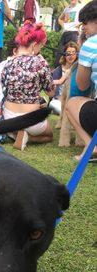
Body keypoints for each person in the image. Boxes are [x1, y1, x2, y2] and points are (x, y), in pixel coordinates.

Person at [1, 22, 55, 150]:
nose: (40, 49)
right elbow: (51, 93)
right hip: (31, 120)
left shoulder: (8, 63)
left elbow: (5, 88)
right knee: (50, 136)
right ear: (35, 45)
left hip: (9, 117)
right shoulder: (41, 63)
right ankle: (27, 136)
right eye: (40, 46)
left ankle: (15, 133)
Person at [66, 0, 97, 160]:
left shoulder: (91, 43)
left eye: (85, 22)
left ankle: (92, 146)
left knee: (71, 103)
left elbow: (82, 85)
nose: (82, 27)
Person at [50, 41, 79, 115]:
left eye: (73, 52)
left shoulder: (78, 69)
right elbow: (52, 86)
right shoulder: (58, 70)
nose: (71, 55)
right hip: (59, 100)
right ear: (64, 55)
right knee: (53, 104)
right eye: (68, 53)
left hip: (74, 100)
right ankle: (68, 114)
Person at [55, 0, 83, 67]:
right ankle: (58, 73)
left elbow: (86, 18)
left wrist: (79, 25)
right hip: (65, 33)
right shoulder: (66, 9)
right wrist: (64, 26)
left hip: (74, 33)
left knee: (73, 55)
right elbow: (60, 19)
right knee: (60, 54)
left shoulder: (80, 8)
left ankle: (73, 74)